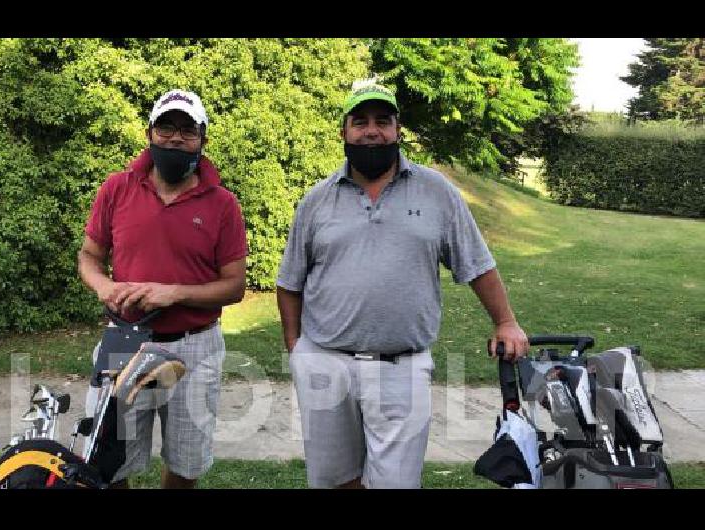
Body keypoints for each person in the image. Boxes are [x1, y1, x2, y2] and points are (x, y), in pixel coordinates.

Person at [276, 79, 529, 489]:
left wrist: (506, 321)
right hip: (325, 362)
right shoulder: (317, 200)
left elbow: (477, 264)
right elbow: (290, 282)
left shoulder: (437, 192)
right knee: (333, 478)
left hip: (401, 366)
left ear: (398, 131)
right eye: (360, 122)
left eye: (383, 121)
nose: (371, 131)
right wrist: (297, 350)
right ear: (344, 132)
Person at [78, 89, 248, 489]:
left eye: (187, 130)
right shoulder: (116, 189)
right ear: (150, 132)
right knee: (108, 454)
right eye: (166, 127)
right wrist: (104, 286)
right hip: (124, 340)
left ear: (203, 138)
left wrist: (173, 293)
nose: (175, 138)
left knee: (186, 460)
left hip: (195, 345)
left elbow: (234, 286)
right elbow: (88, 256)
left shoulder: (223, 204)